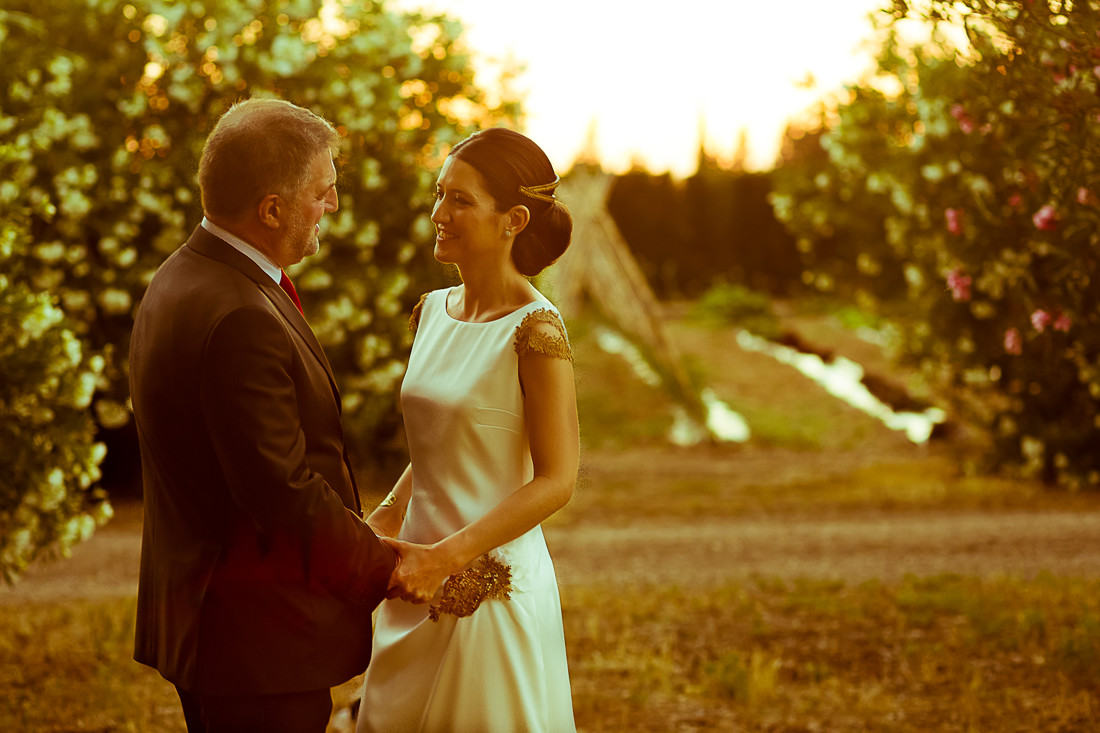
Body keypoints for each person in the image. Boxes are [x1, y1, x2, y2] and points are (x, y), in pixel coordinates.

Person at [129, 97, 397, 733]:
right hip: (256, 643)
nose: (333, 205)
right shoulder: (239, 315)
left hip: (215, 626)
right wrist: (386, 568)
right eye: (322, 192)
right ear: (271, 209)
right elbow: (280, 490)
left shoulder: (181, 274)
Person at [356, 128, 579, 732]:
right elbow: (442, 446)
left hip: (490, 593)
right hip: (412, 581)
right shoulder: (431, 310)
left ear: (514, 220)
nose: (439, 214)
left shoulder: (537, 329)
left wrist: (447, 559)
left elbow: (557, 481)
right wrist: (385, 518)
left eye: (460, 200)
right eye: (439, 195)